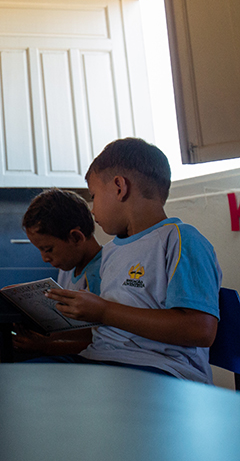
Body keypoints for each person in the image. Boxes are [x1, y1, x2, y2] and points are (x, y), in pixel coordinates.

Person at [43, 138, 222, 382]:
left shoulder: (180, 239)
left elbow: (199, 330)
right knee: (16, 378)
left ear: (119, 187)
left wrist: (103, 311)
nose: (92, 210)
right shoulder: (111, 251)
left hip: (160, 370)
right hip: (99, 360)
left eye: (94, 196)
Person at [12, 188, 102, 356]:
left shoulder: (105, 272)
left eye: (48, 249)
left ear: (76, 237)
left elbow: (100, 340)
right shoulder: (68, 268)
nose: (45, 258)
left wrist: (47, 346)